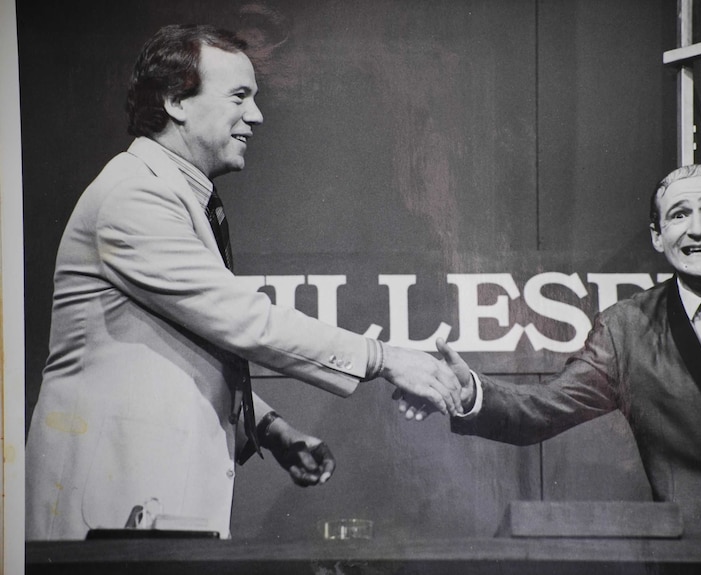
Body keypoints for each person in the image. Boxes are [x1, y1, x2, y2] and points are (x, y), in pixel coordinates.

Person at [25, 23, 462, 541]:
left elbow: (177, 347)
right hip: (107, 518)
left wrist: (271, 431)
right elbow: (242, 319)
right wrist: (386, 358)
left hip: (142, 516)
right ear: (175, 102)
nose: (255, 115)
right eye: (239, 96)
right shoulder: (132, 196)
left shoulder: (176, 194)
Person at [400, 164, 701, 574]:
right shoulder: (626, 329)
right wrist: (469, 395)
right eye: (679, 215)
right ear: (658, 237)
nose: (697, 229)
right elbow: (544, 407)